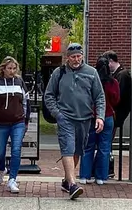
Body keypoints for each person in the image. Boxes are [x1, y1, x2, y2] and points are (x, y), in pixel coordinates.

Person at [44, 42, 104, 199]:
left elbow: (99, 97)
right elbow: (49, 95)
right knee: (68, 149)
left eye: (78, 56)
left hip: (84, 119)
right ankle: (72, 184)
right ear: (67, 58)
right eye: (73, 57)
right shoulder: (59, 73)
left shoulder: (92, 72)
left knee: (77, 151)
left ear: (82, 56)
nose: (76, 59)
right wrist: (58, 114)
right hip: (65, 118)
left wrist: (100, 117)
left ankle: (66, 180)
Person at [0, 57, 27, 194]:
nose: (12, 71)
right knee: (0, 153)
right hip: (1, 123)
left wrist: (25, 119)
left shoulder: (20, 81)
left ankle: (12, 179)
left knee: (16, 150)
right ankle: (1, 169)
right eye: (9, 68)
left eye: (14, 68)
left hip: (18, 122)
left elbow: (26, 101)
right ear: (3, 68)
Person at [81, 56, 120, 185]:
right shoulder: (113, 82)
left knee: (88, 147)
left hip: (91, 116)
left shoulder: (91, 80)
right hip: (108, 116)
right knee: (104, 148)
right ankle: (101, 177)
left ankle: (84, 175)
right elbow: (116, 100)